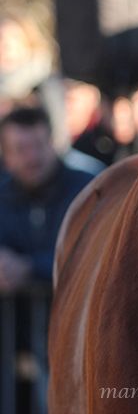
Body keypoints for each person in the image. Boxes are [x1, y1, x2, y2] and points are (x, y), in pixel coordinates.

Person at [0, 107, 94, 288]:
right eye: (21, 149)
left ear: (52, 143)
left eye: (38, 145)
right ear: (7, 157)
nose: (32, 157)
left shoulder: (88, 190)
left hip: (77, 311)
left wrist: (30, 267)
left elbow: (92, 252)